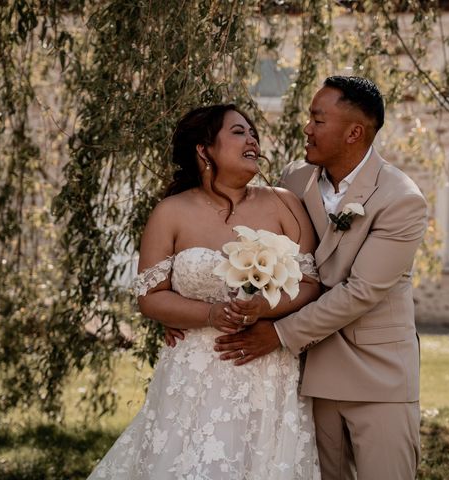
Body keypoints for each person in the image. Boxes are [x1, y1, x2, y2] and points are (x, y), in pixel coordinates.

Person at [87, 104, 322, 479]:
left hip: (267, 369)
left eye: (253, 132)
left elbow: (311, 284)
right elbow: (150, 296)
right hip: (193, 372)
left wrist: (264, 308)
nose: (253, 139)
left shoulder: (283, 203)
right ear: (204, 150)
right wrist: (209, 315)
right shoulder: (170, 213)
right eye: (238, 132)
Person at [214, 76, 428, 479]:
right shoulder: (293, 180)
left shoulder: (401, 199)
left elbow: (360, 292)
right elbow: (255, 248)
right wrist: (194, 307)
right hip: (309, 373)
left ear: (354, 132)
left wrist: (277, 334)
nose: (306, 128)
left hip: (377, 376)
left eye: (317, 119)